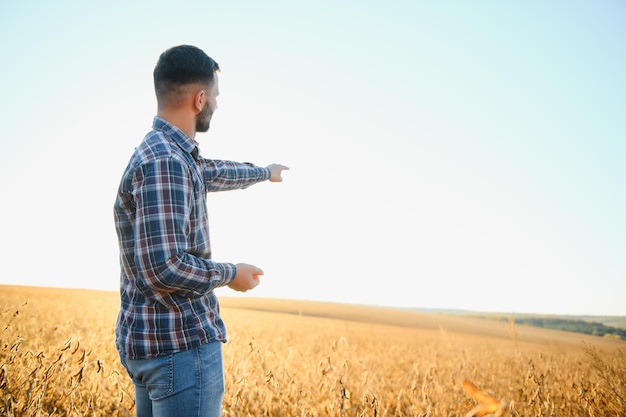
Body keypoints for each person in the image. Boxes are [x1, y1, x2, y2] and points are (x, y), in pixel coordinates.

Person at [113, 45, 288, 417]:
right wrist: (231, 274)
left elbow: (212, 171)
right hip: (180, 350)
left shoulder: (166, 153)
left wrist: (264, 172)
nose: (217, 106)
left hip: (155, 349)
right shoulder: (166, 163)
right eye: (216, 98)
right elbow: (164, 269)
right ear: (200, 98)